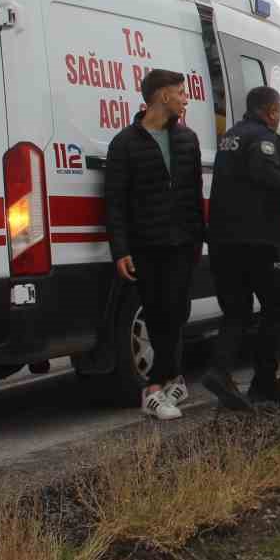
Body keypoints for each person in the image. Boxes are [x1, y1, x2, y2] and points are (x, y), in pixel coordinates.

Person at [201, 86, 280, 409]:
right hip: (259, 241)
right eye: (278, 112)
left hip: (224, 242)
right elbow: (263, 175)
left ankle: (220, 372)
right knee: (274, 311)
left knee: (236, 311)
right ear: (272, 111)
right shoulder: (261, 138)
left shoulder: (230, 137)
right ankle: (265, 382)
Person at [105, 69, 205, 421]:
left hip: (183, 243)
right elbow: (114, 202)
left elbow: (194, 194)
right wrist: (120, 250)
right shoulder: (124, 143)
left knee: (178, 313)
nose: (185, 98)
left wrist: (198, 238)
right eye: (180, 92)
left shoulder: (188, 139)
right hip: (146, 245)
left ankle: (170, 381)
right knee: (159, 314)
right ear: (163, 97)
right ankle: (153, 391)